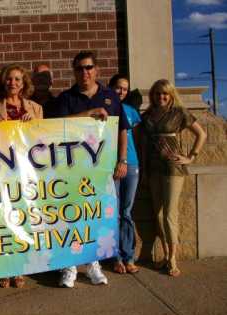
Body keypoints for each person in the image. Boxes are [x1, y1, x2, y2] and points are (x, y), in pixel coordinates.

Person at [49, 51, 131, 288]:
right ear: (73, 72)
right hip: (72, 169)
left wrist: (122, 160)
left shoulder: (110, 97)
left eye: (88, 67)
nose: (84, 72)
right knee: (71, 215)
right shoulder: (66, 97)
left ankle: (93, 263)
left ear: (96, 69)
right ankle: (70, 265)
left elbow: (121, 130)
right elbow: (59, 128)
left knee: (96, 214)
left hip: (103, 169)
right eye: (79, 69)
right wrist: (88, 114)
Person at [0, 63, 43, 288]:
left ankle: (20, 268)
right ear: (3, 81)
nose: (13, 83)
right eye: (9, 79)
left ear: (24, 82)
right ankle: (4, 268)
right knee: (3, 218)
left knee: (23, 216)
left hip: (25, 170)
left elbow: (42, 139)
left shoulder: (35, 108)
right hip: (1, 169)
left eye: (18, 79)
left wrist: (33, 123)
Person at [141, 79, 206, 277]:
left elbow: (201, 134)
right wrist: (144, 169)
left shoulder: (179, 113)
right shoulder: (147, 115)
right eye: (157, 93)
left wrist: (190, 157)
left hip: (172, 167)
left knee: (170, 213)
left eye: (165, 94)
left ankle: (173, 258)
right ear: (152, 95)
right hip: (153, 168)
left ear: (170, 95)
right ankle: (166, 252)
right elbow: (143, 144)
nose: (161, 97)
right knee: (158, 214)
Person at [108, 74, 141, 274]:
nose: (121, 91)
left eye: (125, 89)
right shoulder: (106, 110)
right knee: (115, 213)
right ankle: (116, 257)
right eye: (118, 87)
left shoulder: (131, 112)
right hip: (111, 166)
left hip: (132, 165)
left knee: (127, 212)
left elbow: (136, 139)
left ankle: (129, 256)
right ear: (111, 88)